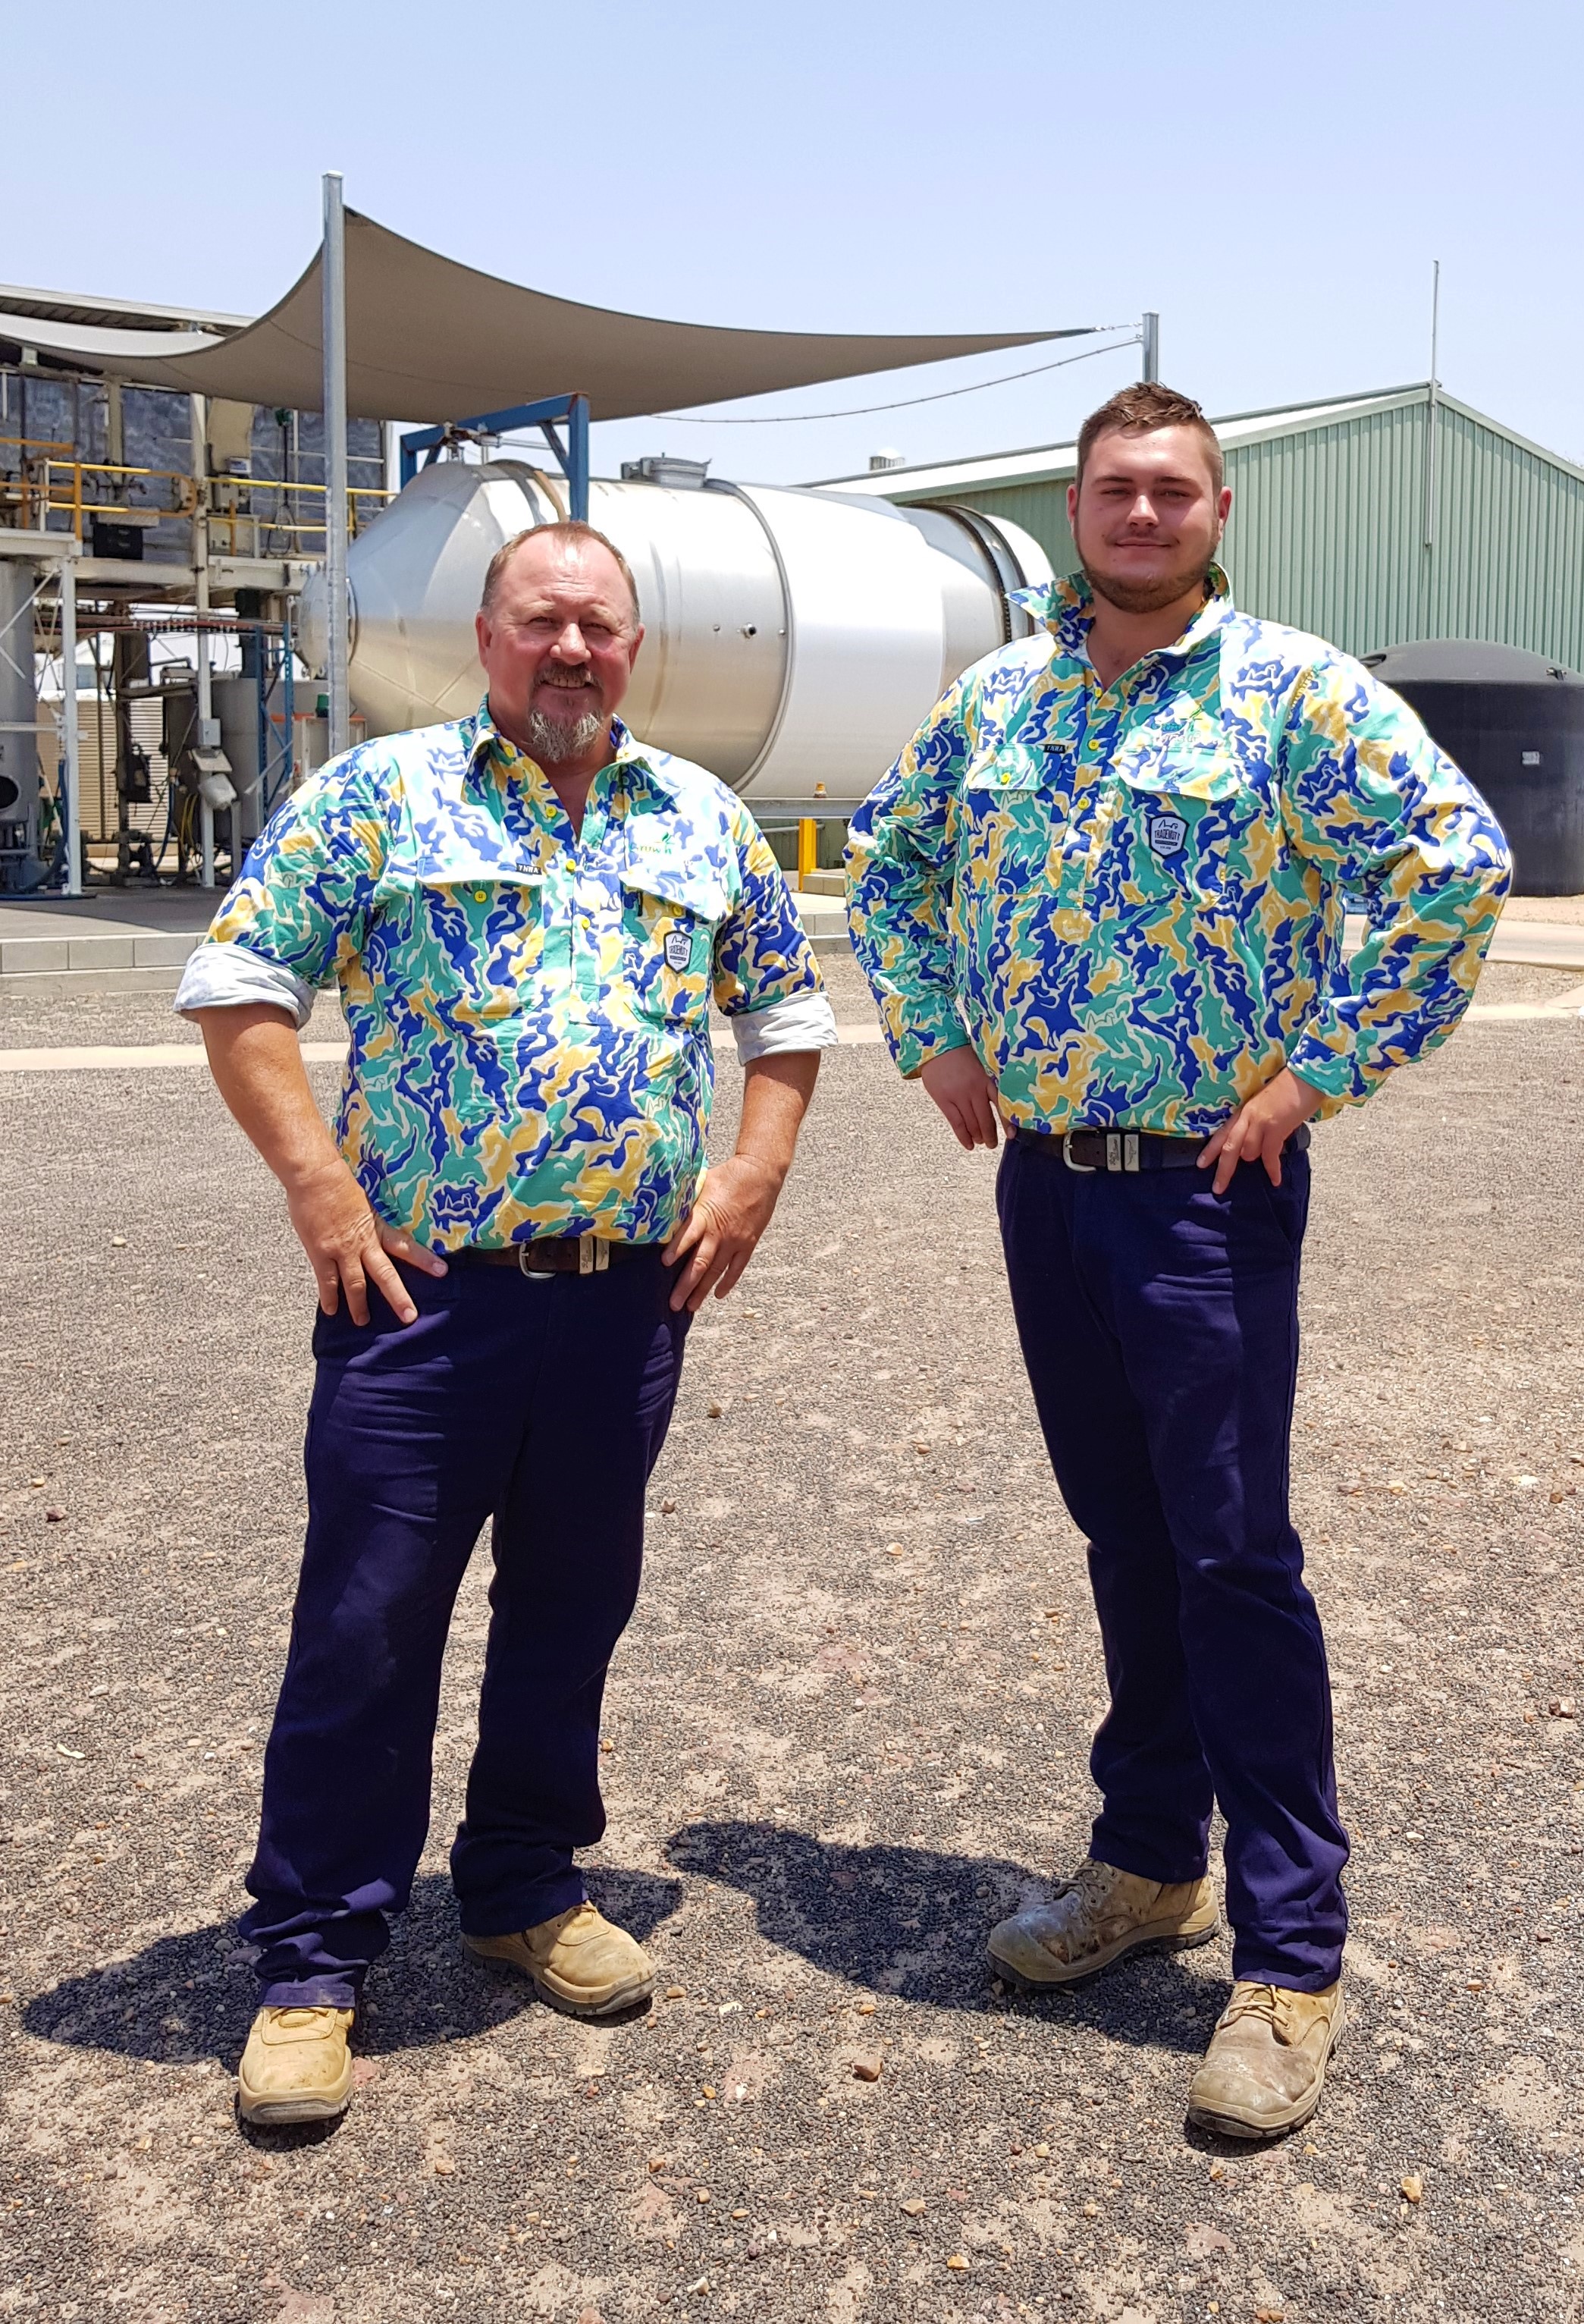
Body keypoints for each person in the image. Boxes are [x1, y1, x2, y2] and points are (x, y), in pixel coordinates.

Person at [845, 382, 1509, 2140]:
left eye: (1169, 491)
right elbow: (889, 866)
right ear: (1074, 511)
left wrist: (1317, 1074)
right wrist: (932, 1031)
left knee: (1228, 1554)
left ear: (1218, 513)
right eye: (1111, 489)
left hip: (1206, 1191)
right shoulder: (997, 700)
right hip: (1047, 1187)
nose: (1138, 514)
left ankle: (1290, 1956)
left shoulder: (1291, 695)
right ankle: (1149, 1864)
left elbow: (1453, 868)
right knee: (1123, 1534)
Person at [178, 518, 836, 2126]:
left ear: (633, 647)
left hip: (623, 1303)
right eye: (540, 621)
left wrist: (752, 1172)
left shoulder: (699, 817)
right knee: (367, 1622)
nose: (571, 649)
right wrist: (322, 1193)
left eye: (597, 625)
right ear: (484, 637)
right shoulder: (378, 796)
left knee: (571, 1605)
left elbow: (788, 1008)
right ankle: (313, 1961)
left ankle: (524, 1882)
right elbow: (242, 985)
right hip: (421, 1301)